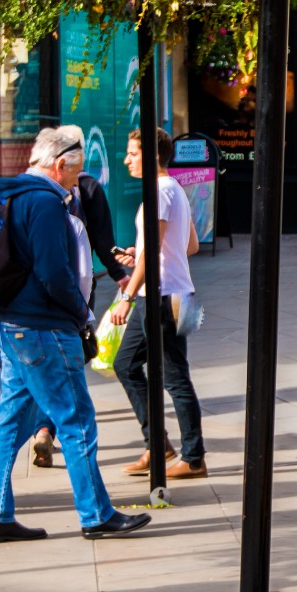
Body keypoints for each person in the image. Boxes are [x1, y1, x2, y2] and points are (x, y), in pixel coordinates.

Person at [0, 130, 149, 543]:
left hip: (15, 325)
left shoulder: (14, 195)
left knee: (10, 423)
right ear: (59, 166)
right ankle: (96, 514)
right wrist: (82, 314)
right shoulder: (46, 202)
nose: (78, 180)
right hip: (45, 328)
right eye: (75, 172)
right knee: (77, 421)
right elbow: (54, 274)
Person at [27, 124, 127, 470]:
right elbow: (102, 240)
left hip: (30, 304)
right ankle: (51, 432)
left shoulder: (27, 193)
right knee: (68, 368)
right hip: (72, 296)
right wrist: (120, 275)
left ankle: (43, 428)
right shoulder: (84, 189)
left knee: (43, 370)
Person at [110, 127, 207, 479]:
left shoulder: (159, 192)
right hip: (174, 292)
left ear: (151, 156)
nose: (126, 160)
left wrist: (126, 296)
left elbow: (154, 251)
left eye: (132, 153)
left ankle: (194, 457)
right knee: (126, 364)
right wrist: (147, 254)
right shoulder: (174, 190)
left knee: (175, 377)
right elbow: (190, 245)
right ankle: (158, 445)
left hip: (165, 297)